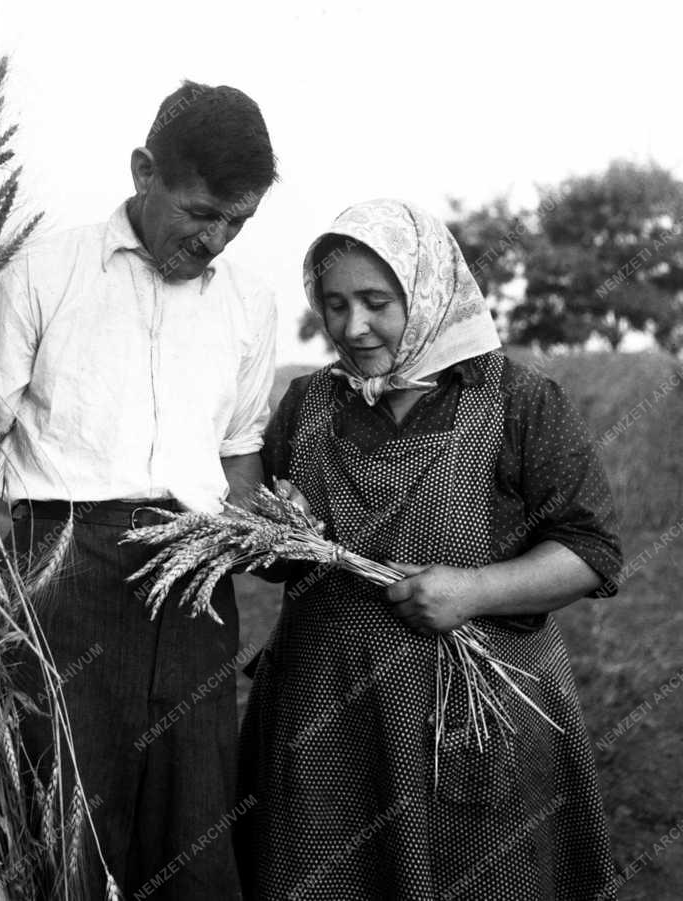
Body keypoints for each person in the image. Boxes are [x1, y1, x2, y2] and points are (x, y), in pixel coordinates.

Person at [236, 199, 622, 900]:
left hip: (472, 716)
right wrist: (278, 531)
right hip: (329, 721)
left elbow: (590, 548)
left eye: (377, 302)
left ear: (428, 291)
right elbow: (271, 558)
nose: (353, 327)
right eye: (335, 303)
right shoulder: (308, 404)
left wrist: (473, 592)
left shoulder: (516, 401)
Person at [0, 80, 278, 899]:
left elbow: (240, 449)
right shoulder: (39, 272)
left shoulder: (250, 301)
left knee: (194, 818)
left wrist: (244, 536)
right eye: (200, 211)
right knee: (65, 805)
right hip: (64, 574)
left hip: (195, 584)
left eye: (236, 222)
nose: (214, 238)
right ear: (144, 170)